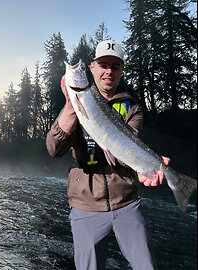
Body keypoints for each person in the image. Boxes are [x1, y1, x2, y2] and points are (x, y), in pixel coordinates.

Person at [45, 40, 169, 270]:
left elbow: (127, 149)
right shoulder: (76, 103)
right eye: (103, 64)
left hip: (127, 202)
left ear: (121, 71)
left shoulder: (132, 108)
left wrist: (149, 165)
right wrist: (73, 103)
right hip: (85, 204)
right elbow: (54, 149)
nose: (108, 71)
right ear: (92, 68)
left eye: (115, 66)